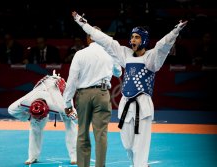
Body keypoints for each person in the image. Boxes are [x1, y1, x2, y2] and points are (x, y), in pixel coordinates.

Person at [71, 11, 187, 167]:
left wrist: (176, 30)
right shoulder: (125, 54)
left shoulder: (152, 58)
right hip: (126, 105)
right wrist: (82, 22)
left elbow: (163, 45)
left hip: (143, 105)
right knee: (127, 144)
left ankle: (140, 165)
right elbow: (103, 39)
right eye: (132, 36)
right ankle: (136, 164)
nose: (132, 39)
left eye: (137, 37)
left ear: (144, 40)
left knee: (140, 146)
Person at [63, 26, 122, 167]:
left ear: (88, 38)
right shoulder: (110, 53)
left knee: (82, 132)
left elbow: (71, 80)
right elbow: (118, 73)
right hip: (102, 94)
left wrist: (67, 103)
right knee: (101, 134)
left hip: (83, 95)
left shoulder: (80, 54)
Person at [8, 71, 78, 165]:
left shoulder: (60, 107)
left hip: (59, 90)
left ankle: (74, 156)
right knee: (34, 125)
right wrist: (29, 117)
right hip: (42, 88)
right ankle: (33, 157)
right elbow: (11, 110)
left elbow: (76, 119)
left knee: (70, 123)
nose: (39, 119)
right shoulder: (27, 100)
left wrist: (74, 116)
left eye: (41, 117)